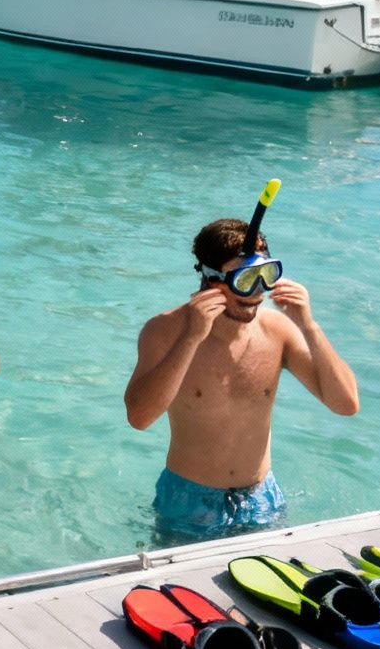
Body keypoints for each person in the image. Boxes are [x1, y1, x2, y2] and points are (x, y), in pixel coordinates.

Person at [125, 219, 360, 542]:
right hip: (189, 503)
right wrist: (192, 338)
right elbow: (139, 418)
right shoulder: (166, 331)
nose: (257, 293)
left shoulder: (278, 330)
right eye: (245, 279)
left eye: (265, 276)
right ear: (212, 279)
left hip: (262, 498)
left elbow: (346, 404)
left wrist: (309, 327)